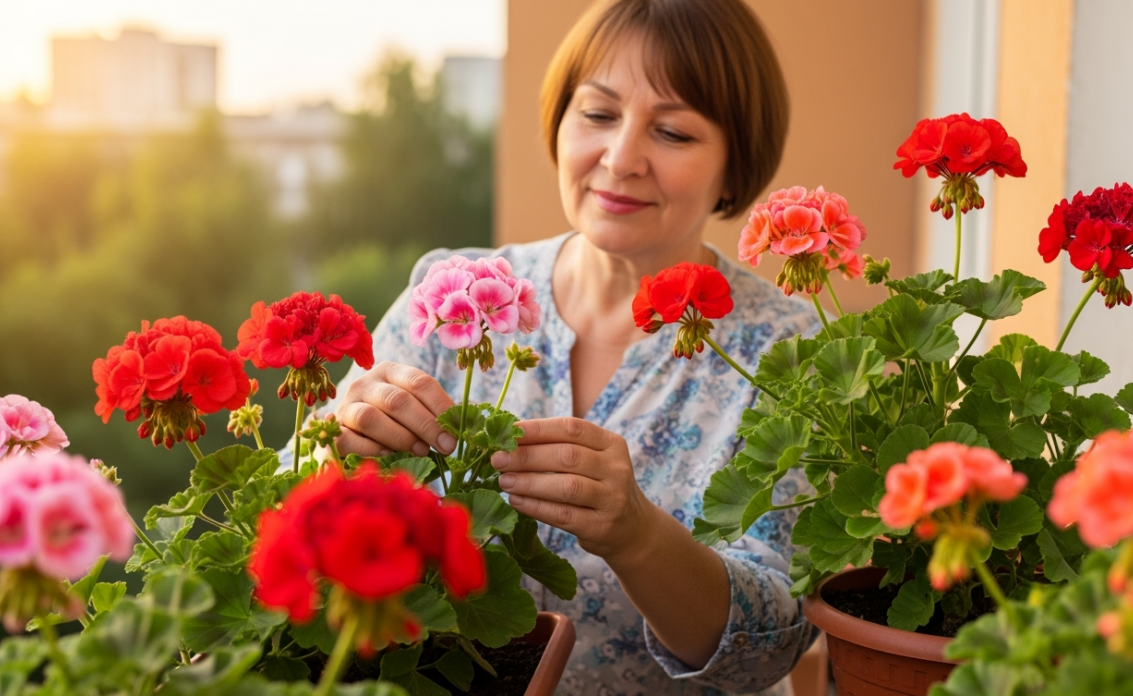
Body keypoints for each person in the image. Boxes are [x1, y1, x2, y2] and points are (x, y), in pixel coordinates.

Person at [331, 0, 820, 692]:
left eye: (674, 132)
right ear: (559, 123)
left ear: (735, 169)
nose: (621, 159)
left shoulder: (787, 350)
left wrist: (640, 537)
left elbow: (776, 642)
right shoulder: (459, 293)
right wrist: (344, 433)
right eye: (596, 114)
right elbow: (298, 508)